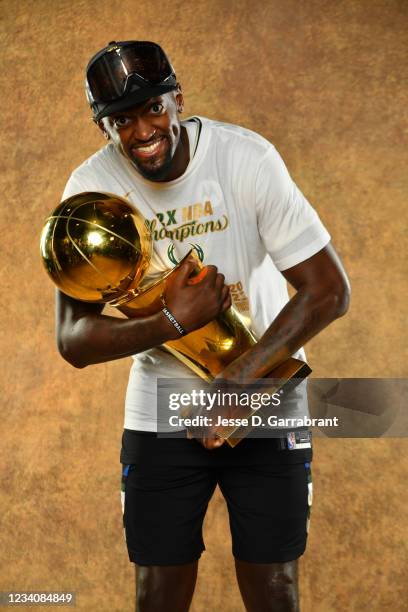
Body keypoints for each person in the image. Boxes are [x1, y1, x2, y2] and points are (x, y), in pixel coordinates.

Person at [56, 40, 350, 612]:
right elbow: (72, 342)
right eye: (121, 120)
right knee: (158, 595)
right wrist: (171, 320)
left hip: (265, 402)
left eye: (153, 109)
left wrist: (239, 386)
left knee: (275, 591)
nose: (141, 131)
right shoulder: (90, 191)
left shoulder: (245, 159)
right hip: (160, 413)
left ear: (177, 99)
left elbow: (329, 290)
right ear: (104, 126)